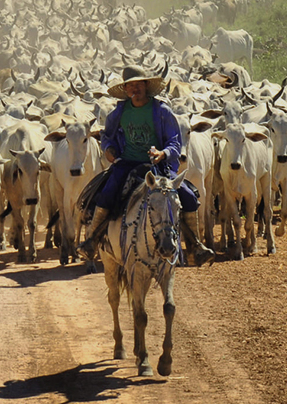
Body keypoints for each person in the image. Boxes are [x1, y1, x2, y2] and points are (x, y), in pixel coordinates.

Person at [77, 65, 213, 263]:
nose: (135, 89)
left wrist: (162, 153)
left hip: (157, 167)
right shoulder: (120, 112)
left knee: (189, 196)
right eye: (131, 86)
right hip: (127, 163)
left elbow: (175, 141)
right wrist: (108, 149)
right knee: (106, 194)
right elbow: (107, 136)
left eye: (139, 84)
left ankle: (195, 246)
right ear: (126, 90)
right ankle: (92, 241)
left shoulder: (162, 111)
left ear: (146, 85)